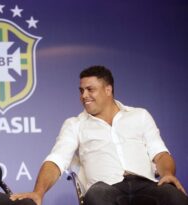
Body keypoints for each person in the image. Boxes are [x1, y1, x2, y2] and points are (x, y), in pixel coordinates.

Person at [10, 66, 188, 205]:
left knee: (172, 193)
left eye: (90, 89)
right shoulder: (75, 124)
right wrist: (39, 192)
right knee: (96, 194)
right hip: (107, 190)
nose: (84, 96)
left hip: (146, 186)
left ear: (108, 90)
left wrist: (167, 174)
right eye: (81, 91)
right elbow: (56, 160)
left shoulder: (139, 115)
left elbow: (161, 153)